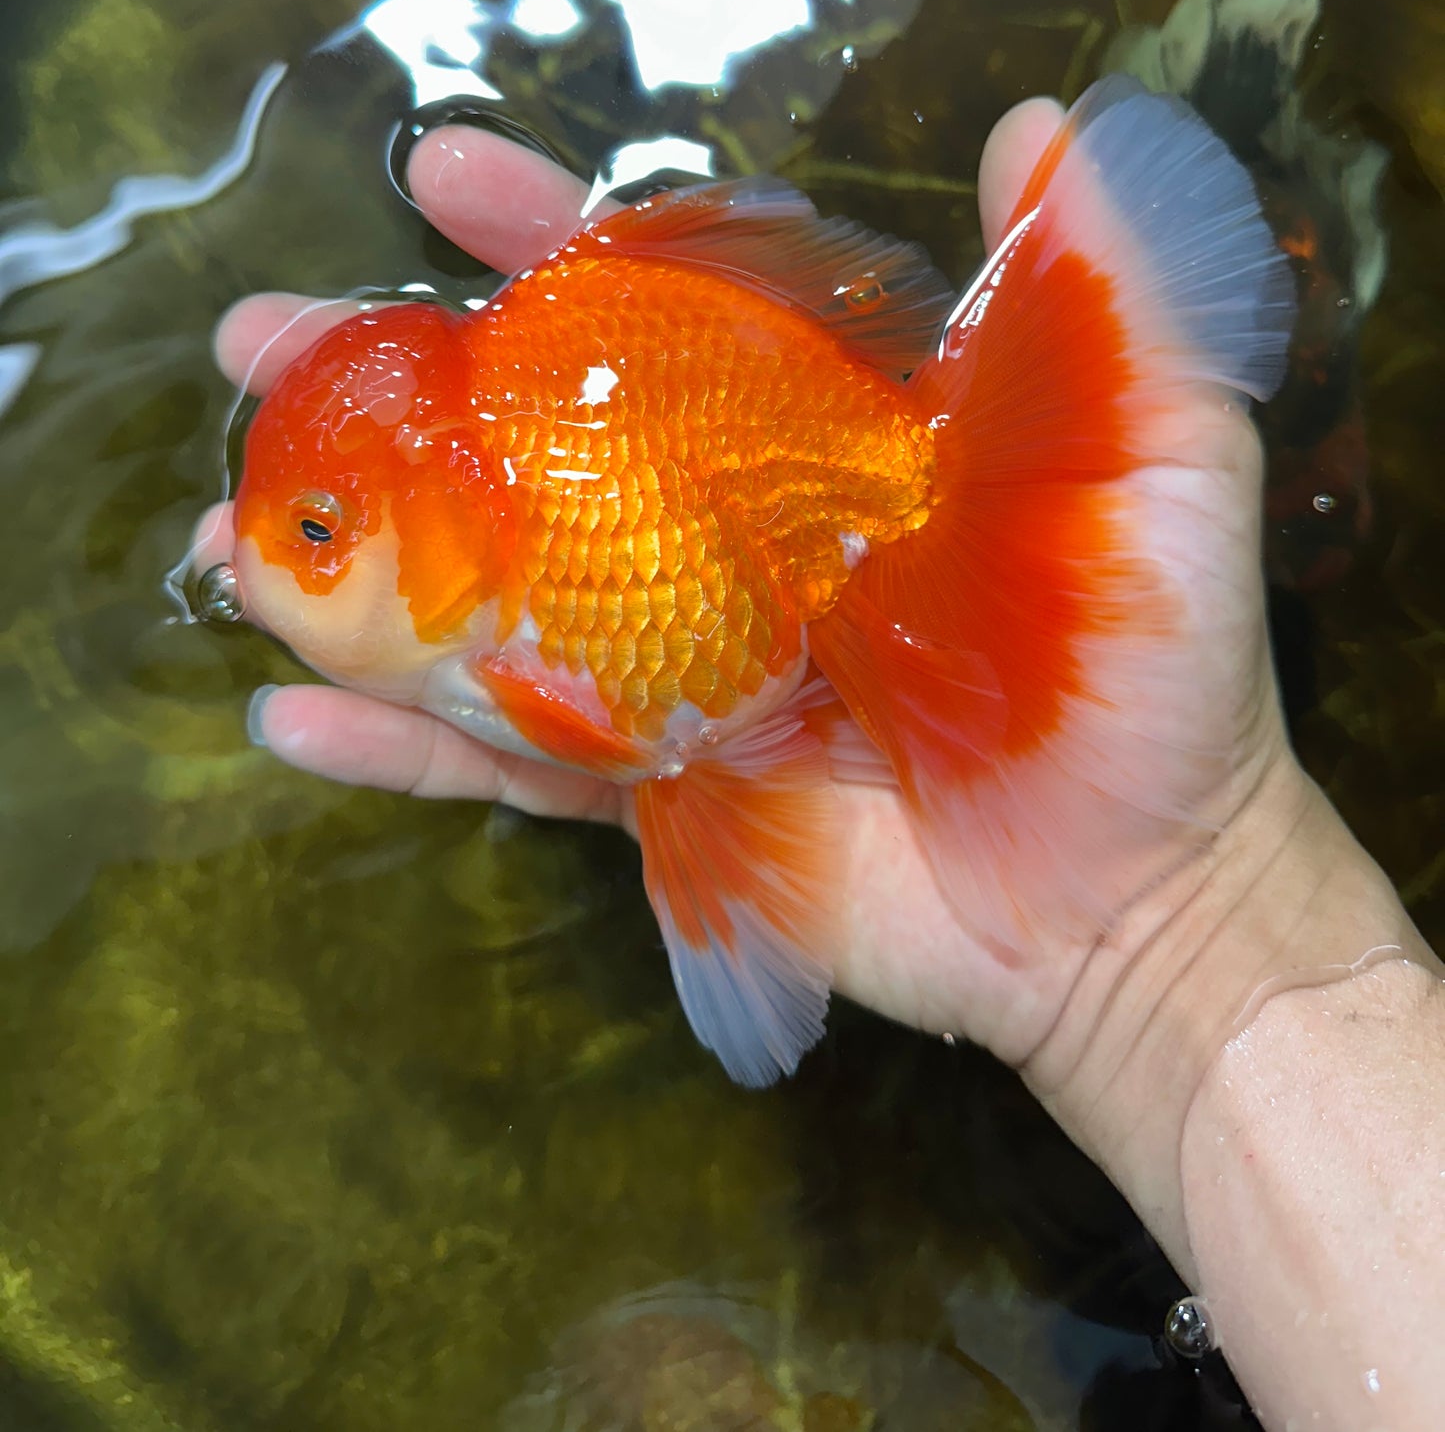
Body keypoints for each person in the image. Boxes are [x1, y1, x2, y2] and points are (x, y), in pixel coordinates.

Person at [197, 96, 1445, 1432]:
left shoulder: (514, 639)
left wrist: (1187, 910)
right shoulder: (486, 606)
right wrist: (1201, 936)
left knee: (846, 578)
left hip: (797, 523)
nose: (277, 568)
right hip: (758, 596)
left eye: (321, 533)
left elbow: (624, 738)